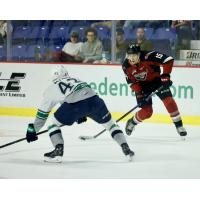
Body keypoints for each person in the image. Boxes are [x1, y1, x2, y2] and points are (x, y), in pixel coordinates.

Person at [26, 65, 134, 162]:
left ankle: (58, 150)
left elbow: (42, 114)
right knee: (111, 124)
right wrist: (81, 114)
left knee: (53, 124)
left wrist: (33, 130)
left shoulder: (52, 88)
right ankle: (125, 147)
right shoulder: (76, 79)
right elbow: (82, 97)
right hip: (95, 100)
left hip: (76, 105)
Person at [122, 44, 187, 138]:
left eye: (134, 55)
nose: (131, 58)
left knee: (169, 102)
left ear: (139, 54)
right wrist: (139, 94)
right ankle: (132, 122)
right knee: (147, 112)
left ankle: (179, 126)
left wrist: (165, 75)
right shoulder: (126, 65)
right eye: (129, 55)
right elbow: (131, 82)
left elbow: (168, 60)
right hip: (142, 87)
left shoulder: (149, 56)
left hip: (157, 82)